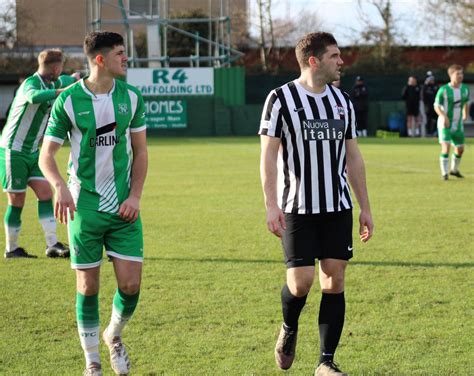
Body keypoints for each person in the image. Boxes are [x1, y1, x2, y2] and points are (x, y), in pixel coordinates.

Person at [259, 32, 374, 376]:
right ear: (314, 60)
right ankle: (289, 328)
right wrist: (270, 203)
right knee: (301, 283)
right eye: (335, 56)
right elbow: (267, 156)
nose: (341, 62)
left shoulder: (342, 102)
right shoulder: (280, 99)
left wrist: (365, 206)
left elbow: (353, 156)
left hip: (337, 206)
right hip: (297, 208)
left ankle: (325, 361)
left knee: (334, 281)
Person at [39, 31, 148, 376]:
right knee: (87, 286)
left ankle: (113, 335)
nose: (125, 58)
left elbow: (142, 152)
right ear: (100, 59)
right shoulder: (68, 100)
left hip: (123, 208)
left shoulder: (131, 97)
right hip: (84, 206)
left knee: (131, 285)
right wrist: (59, 186)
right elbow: (47, 155)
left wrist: (134, 195)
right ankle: (93, 364)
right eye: (119, 53)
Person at [0, 49, 78, 258]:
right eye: (60, 66)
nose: (61, 70)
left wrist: (78, 78)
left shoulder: (53, 82)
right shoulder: (30, 84)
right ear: (55, 67)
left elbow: (68, 79)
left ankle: (52, 244)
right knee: (16, 200)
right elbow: (33, 97)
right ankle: (11, 248)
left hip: (33, 152)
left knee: (45, 193)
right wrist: (62, 91)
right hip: (12, 151)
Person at [434, 64, 470, 180]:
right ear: (451, 75)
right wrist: (444, 116)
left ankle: (454, 170)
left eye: (461, 73)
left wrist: (465, 114)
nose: (460, 76)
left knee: (460, 148)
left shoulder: (465, 89)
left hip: (458, 124)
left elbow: (465, 102)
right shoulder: (443, 90)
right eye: (457, 73)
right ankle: (444, 173)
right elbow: (436, 106)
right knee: (446, 147)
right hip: (445, 124)